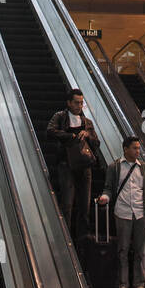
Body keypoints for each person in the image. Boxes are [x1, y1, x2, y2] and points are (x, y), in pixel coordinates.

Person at [99, 136, 145, 288]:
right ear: (125, 149)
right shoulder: (114, 167)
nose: (138, 151)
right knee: (122, 249)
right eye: (134, 148)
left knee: (140, 250)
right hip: (122, 211)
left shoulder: (144, 168)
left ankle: (139, 285)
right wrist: (105, 198)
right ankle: (123, 284)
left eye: (138, 148)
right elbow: (108, 188)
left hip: (141, 213)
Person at [47, 89, 100, 243]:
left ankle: (83, 240)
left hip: (84, 166)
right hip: (66, 164)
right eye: (76, 102)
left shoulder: (87, 123)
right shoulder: (60, 117)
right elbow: (50, 131)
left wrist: (88, 135)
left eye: (81, 103)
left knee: (85, 205)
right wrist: (70, 136)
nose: (79, 105)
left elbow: (97, 144)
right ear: (69, 103)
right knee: (67, 204)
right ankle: (66, 239)